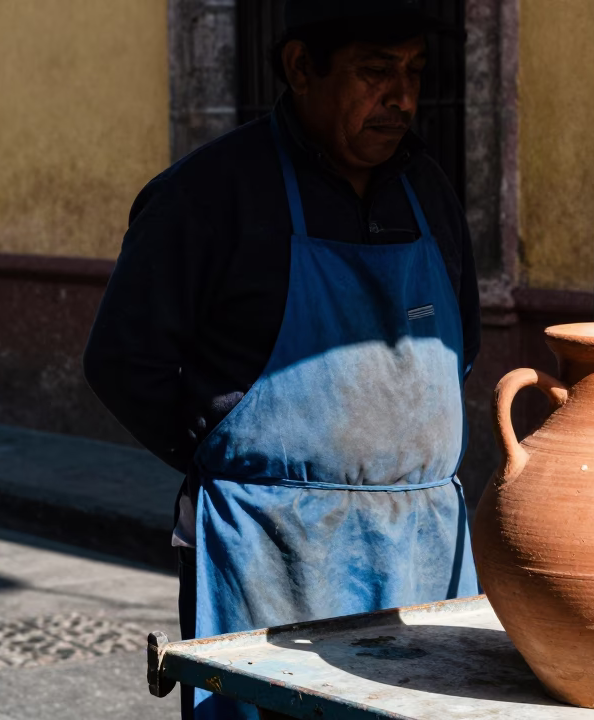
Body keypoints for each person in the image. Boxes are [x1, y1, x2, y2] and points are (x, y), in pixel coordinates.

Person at [83, 1, 480, 717]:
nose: (404, 96)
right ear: (301, 68)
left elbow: (462, 346)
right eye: (375, 71)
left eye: (416, 72)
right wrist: (227, 458)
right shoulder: (210, 194)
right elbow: (121, 359)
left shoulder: (429, 191)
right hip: (271, 552)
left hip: (424, 546)